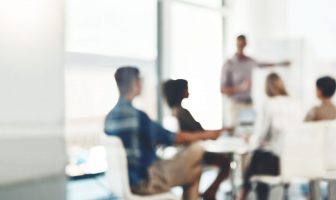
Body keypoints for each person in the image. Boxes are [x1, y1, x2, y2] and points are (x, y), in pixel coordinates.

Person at [104, 66, 221, 200]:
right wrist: (206, 135)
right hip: (146, 181)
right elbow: (171, 137)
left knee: (194, 171)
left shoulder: (109, 118)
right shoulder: (137, 117)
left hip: (127, 181)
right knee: (197, 149)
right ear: (136, 84)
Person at [237, 73, 303, 200]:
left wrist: (249, 139)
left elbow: (261, 136)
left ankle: (243, 194)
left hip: (275, 162)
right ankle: (243, 194)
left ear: (267, 87)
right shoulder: (295, 103)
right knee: (259, 158)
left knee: (256, 157)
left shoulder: (269, 104)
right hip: (294, 161)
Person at [162, 79, 231, 200]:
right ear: (182, 91)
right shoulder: (182, 113)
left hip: (184, 154)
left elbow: (199, 131)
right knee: (226, 161)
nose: (189, 91)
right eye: (187, 88)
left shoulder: (175, 112)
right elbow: (200, 132)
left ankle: (210, 192)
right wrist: (212, 134)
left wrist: (218, 131)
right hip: (192, 154)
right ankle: (211, 192)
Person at [221, 35, 290, 127]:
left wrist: (280, 64)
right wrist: (241, 88)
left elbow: (264, 64)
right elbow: (223, 90)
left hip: (249, 104)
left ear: (246, 44)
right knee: (235, 133)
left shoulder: (250, 61)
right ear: (236, 44)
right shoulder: (229, 64)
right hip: (235, 105)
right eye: (239, 44)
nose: (241, 47)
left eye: (243, 44)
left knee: (249, 131)